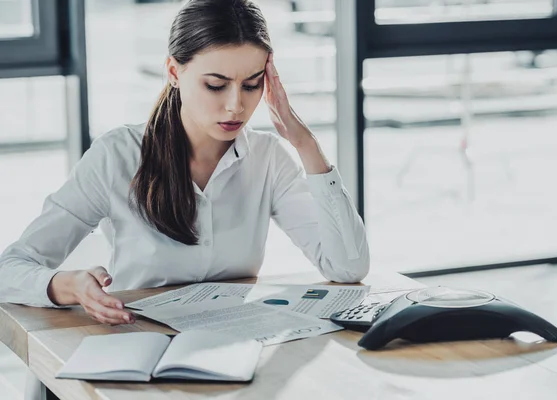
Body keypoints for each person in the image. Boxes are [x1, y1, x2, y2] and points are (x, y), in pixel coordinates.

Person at [0, 0, 369, 328]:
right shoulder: (117, 155)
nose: (235, 106)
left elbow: (347, 267)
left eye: (253, 84)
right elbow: (8, 270)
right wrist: (66, 284)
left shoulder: (269, 157)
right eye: (215, 84)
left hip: (235, 342)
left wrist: (304, 142)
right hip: (137, 342)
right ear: (175, 73)